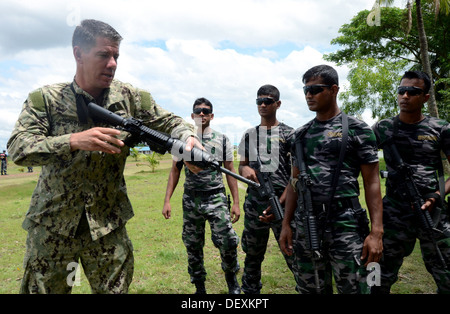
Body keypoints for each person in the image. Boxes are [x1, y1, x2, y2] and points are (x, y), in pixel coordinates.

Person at [7, 19, 200, 294]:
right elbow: (18, 148)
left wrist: (188, 138)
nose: (112, 64)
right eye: (103, 55)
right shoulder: (45, 100)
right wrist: (73, 141)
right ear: (78, 54)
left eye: (116, 56)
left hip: (107, 226)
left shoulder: (131, 98)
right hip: (53, 228)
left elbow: (169, 122)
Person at [279, 64, 384, 294]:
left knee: (356, 287)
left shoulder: (358, 130)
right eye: (305, 90)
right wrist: (286, 224)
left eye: (315, 89)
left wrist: (376, 232)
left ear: (334, 89)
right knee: (310, 288)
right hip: (306, 224)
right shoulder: (300, 135)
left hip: (345, 223)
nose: (309, 95)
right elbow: (294, 182)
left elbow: (372, 182)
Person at [372, 70, 450, 294]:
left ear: (425, 97)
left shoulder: (441, 129)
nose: (405, 96)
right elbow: (361, 161)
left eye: (413, 92)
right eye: (401, 91)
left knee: (446, 271)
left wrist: (437, 195)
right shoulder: (383, 128)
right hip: (394, 211)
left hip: (432, 212)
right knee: (377, 273)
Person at [162, 97, 241, 294]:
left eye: (206, 111)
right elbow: (175, 171)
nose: (202, 114)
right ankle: (199, 287)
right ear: (192, 115)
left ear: (212, 116)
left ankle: (232, 279)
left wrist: (236, 203)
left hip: (216, 198)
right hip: (191, 199)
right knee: (193, 245)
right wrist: (167, 201)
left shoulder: (222, 140)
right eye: (198, 111)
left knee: (228, 241)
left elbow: (230, 171)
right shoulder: (181, 141)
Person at [237, 84, 295, 294]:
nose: (263, 105)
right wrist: (245, 171)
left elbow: (295, 175)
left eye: (268, 101)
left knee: (292, 253)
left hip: (284, 206)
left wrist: (280, 202)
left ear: (277, 104)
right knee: (252, 255)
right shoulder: (249, 135)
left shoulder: (290, 134)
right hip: (255, 206)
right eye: (259, 101)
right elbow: (242, 165)